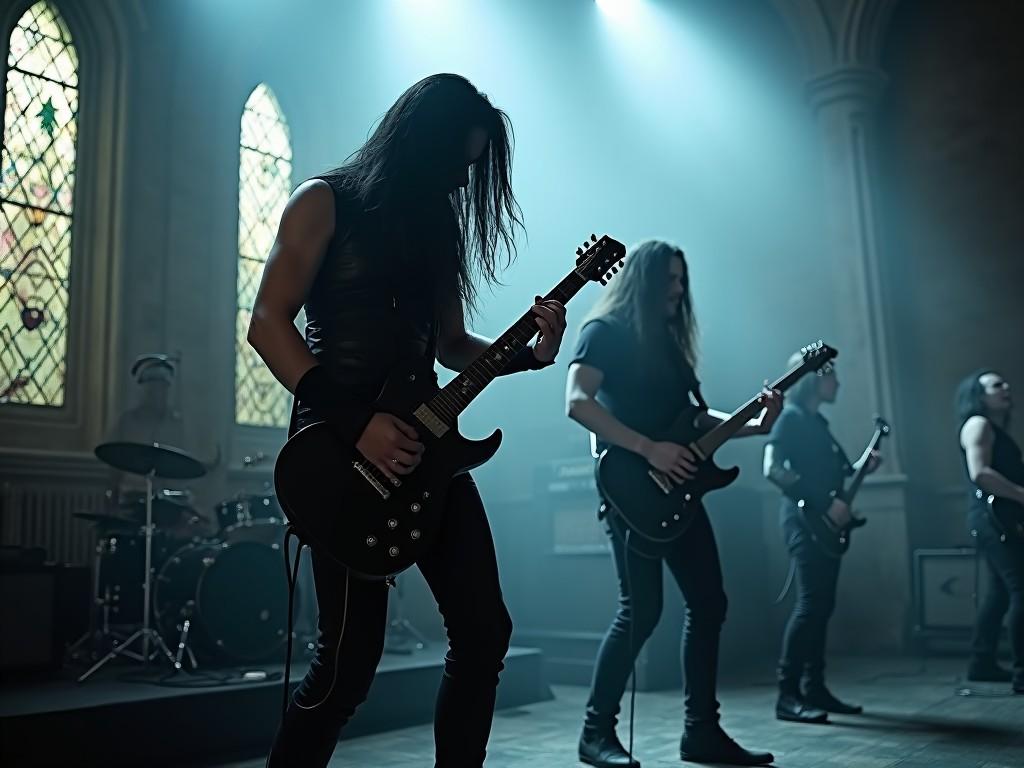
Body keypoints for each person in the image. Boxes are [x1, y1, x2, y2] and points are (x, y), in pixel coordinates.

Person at [247, 73, 567, 767]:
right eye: (460, 162)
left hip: (430, 455)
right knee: (346, 671)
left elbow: (452, 346)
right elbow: (268, 324)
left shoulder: (437, 233)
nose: (463, 180)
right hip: (339, 459)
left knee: (485, 634)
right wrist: (358, 422)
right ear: (424, 142)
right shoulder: (322, 201)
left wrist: (532, 355)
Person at [565, 239, 781, 768]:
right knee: (641, 613)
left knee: (709, 603)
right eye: (670, 280)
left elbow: (692, 419)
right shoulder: (605, 332)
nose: (679, 291)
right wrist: (647, 448)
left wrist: (754, 425)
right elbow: (576, 402)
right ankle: (596, 734)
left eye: (683, 281)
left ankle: (701, 732)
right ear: (643, 280)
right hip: (632, 490)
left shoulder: (668, 341)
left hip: (682, 491)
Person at [763, 354, 881, 723]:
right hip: (804, 523)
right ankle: (788, 695)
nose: (838, 384)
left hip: (824, 525)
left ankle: (814, 687)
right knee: (811, 605)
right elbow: (772, 469)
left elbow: (838, 475)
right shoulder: (791, 419)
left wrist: (863, 466)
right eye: (833, 378)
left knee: (822, 606)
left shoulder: (817, 423)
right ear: (814, 379)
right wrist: (821, 504)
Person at [956, 369, 1024, 693]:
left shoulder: (994, 429)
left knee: (1000, 591)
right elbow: (980, 473)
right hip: (992, 519)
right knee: (1020, 588)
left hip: (997, 518)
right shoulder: (978, 424)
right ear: (980, 395)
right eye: (998, 385)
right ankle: (1023, 673)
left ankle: (981, 662)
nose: (1006, 387)